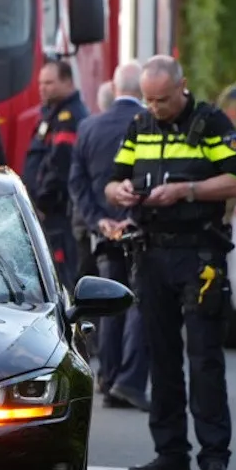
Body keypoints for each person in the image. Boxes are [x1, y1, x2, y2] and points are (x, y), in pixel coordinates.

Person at [104, 55, 236, 470]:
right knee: (161, 358)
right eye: (148, 99)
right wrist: (123, 191)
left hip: (199, 254)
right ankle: (170, 454)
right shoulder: (140, 125)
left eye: (162, 99)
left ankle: (214, 458)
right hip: (151, 253)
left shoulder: (210, 123)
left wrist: (187, 190)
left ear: (182, 86)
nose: (155, 107)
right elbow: (113, 181)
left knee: (204, 358)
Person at [70, 61, 149, 410]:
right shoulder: (149, 126)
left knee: (110, 304)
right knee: (138, 304)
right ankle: (128, 381)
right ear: (142, 89)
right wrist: (131, 218)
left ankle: (107, 375)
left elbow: (77, 184)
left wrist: (98, 220)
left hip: (103, 233)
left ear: (115, 88)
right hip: (140, 231)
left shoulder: (89, 127)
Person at [22, 59, 86, 286]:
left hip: (56, 212)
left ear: (67, 82)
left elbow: (60, 167)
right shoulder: (51, 114)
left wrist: (41, 204)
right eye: (41, 83)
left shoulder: (68, 118)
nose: (42, 88)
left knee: (61, 275)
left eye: (49, 83)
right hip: (46, 212)